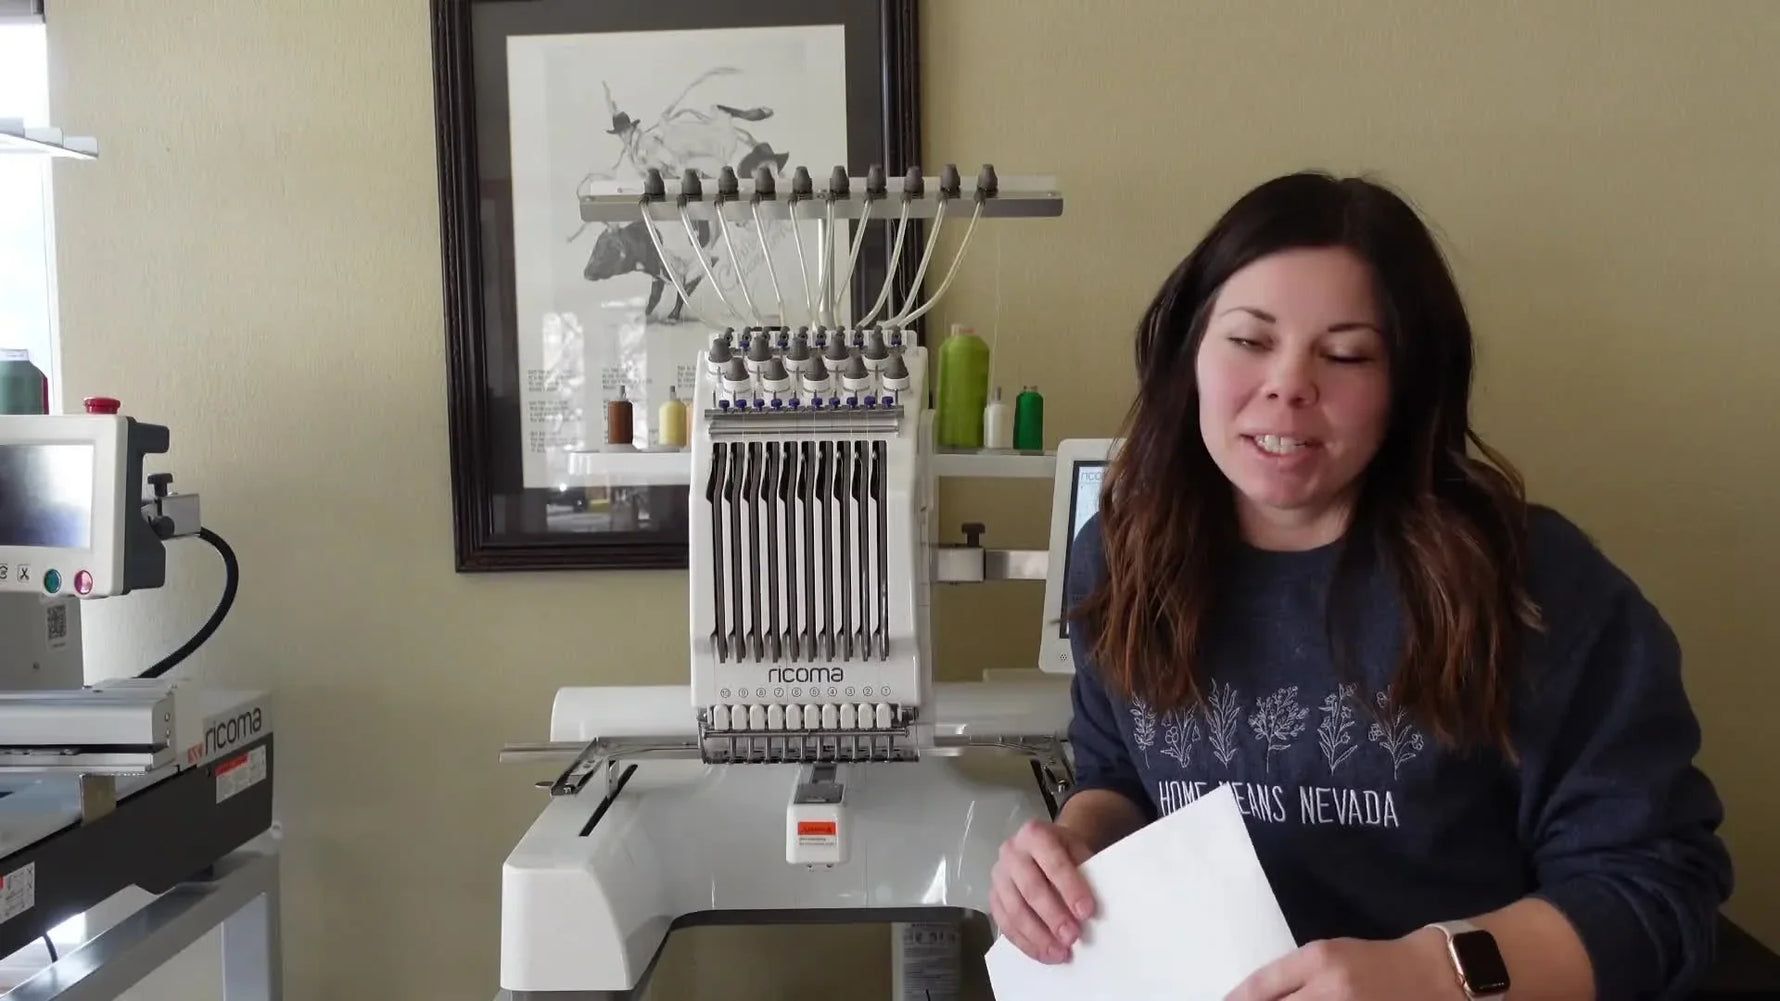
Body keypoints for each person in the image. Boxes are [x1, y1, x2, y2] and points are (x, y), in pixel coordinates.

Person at [989, 171, 1733, 1001]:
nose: (1288, 383)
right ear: (1190, 352)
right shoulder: (1122, 556)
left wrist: (1435, 973)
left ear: (1404, 386)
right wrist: (1076, 847)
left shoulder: (1532, 583)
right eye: (1249, 340)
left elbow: (1656, 889)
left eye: (1345, 354)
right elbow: (1122, 775)